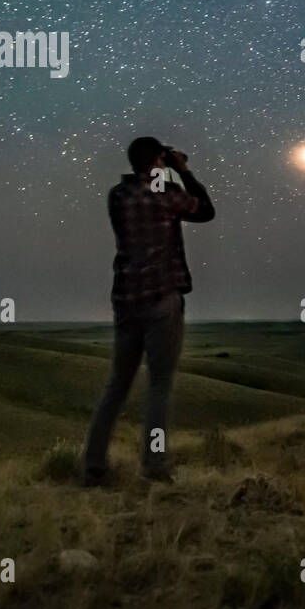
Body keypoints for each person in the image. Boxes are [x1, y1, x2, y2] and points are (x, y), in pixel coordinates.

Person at [82, 136, 215, 485]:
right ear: (158, 158)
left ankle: (93, 464)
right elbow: (206, 210)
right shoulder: (166, 194)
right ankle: (153, 466)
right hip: (161, 298)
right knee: (159, 386)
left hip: (126, 299)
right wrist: (183, 171)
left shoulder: (118, 195)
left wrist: (162, 167)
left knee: (117, 384)